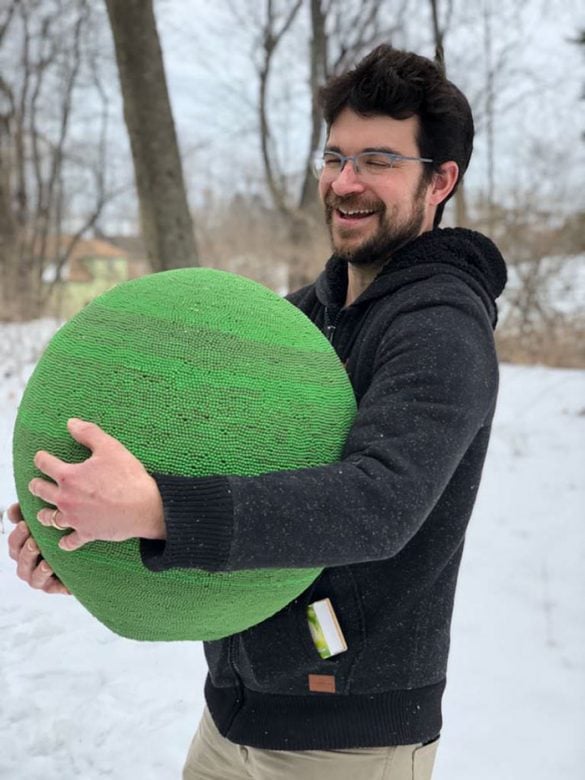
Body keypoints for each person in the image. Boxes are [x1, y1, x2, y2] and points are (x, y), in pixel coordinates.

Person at [8, 45, 507, 780]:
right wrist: (89, 538)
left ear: (440, 180)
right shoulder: (300, 320)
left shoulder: (441, 327)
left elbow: (378, 503)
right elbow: (212, 471)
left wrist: (158, 510)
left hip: (349, 740)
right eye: (334, 157)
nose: (345, 182)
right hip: (233, 716)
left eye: (378, 160)